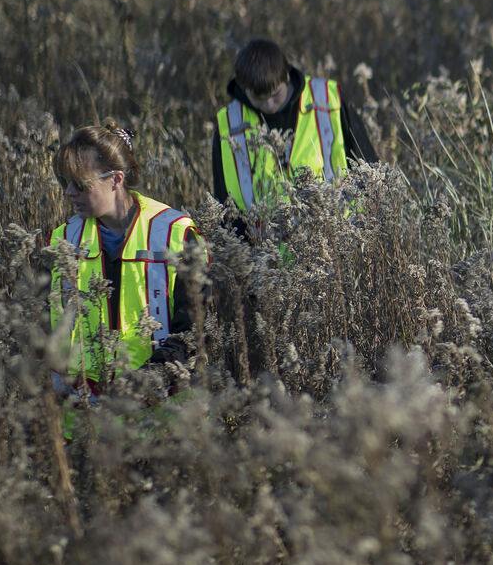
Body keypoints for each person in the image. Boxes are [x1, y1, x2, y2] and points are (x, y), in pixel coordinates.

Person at [49, 124, 199, 403]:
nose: (69, 192)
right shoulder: (65, 238)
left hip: (161, 417)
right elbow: (54, 325)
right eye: (64, 182)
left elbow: (194, 329)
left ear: (116, 180)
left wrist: (152, 379)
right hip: (88, 418)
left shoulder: (175, 233)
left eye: (80, 184)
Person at [211, 38, 377, 219]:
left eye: (276, 95)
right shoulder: (229, 125)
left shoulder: (328, 101)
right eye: (258, 98)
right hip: (264, 246)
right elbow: (224, 203)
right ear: (243, 89)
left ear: (287, 77)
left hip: (337, 237)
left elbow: (368, 168)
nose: (269, 105)